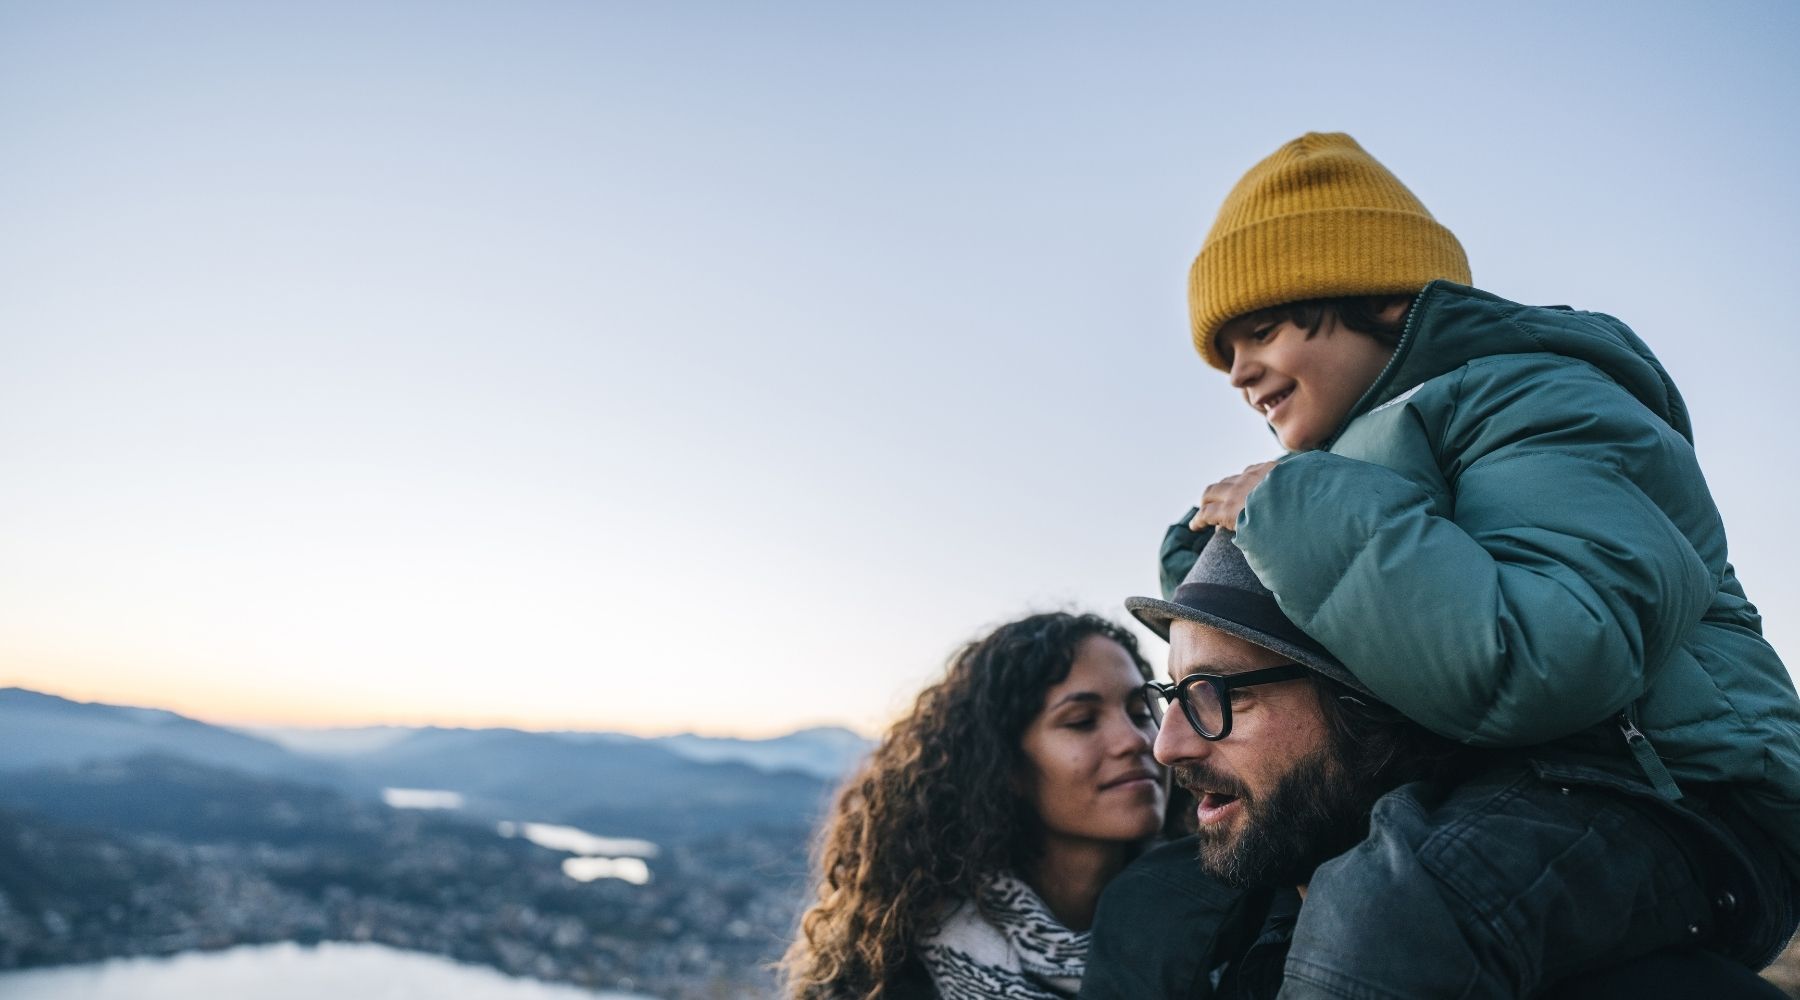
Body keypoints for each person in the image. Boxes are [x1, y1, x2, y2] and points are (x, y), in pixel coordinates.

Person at [1162, 132, 1800, 996]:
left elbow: (1548, 657)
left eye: (1262, 331)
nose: (1238, 373)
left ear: (1381, 298)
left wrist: (1289, 516)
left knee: (1401, 906)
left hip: (1687, 798)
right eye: (1225, 352)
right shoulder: (1352, 469)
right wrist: (1209, 557)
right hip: (1538, 783)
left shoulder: (1544, 402)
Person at [1077, 531, 1787, 1000]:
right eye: (1173, 696)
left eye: (1218, 694)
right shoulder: (1156, 920)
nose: (1167, 746)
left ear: (1367, 700)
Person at [781, 611, 1173, 1000]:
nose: (1136, 740)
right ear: (1003, 764)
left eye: (1141, 713)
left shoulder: (1204, 925)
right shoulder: (890, 977)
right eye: (1082, 721)